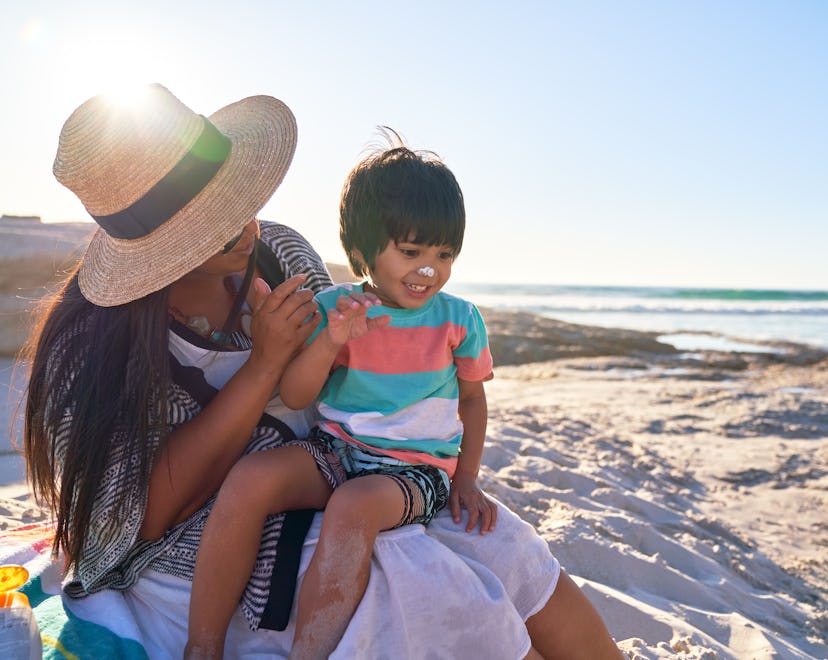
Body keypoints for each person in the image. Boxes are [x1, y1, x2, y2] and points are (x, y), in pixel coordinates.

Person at [21, 83, 622, 658]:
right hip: (202, 546)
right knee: (426, 588)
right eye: (211, 221)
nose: (246, 225)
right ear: (153, 243)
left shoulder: (279, 253)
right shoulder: (94, 345)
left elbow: (352, 377)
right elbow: (143, 517)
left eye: (238, 199)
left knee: (504, 544)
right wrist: (264, 366)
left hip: (339, 467)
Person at [187, 134, 502, 658]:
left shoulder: (459, 320)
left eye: (444, 254)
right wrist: (331, 340)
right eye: (411, 251)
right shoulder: (337, 308)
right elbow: (295, 391)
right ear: (360, 252)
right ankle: (202, 645)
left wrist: (466, 477)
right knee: (248, 479)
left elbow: (472, 401)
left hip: (416, 470)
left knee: (354, 508)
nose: (430, 269)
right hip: (335, 450)